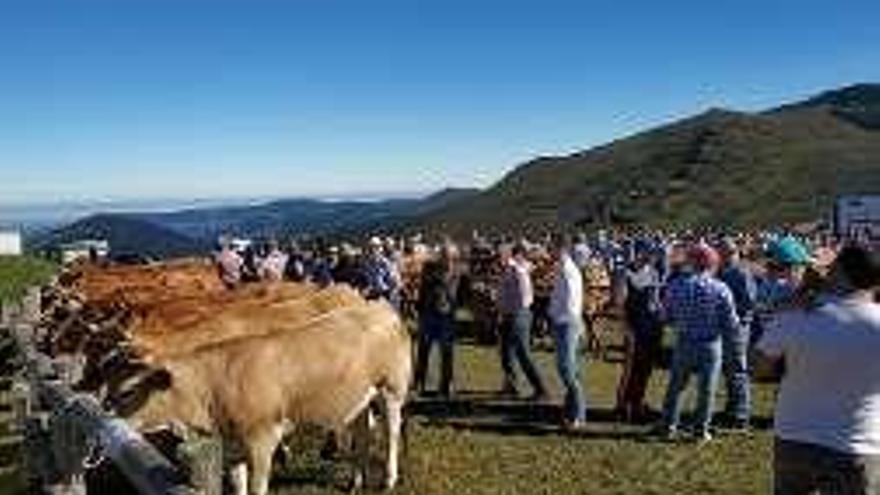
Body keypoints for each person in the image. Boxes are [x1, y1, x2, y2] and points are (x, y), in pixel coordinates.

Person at [756, 245, 880, 494]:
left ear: (840, 272)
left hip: (794, 437)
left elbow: (759, 368)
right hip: (857, 444)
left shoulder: (796, 313)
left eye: (831, 266)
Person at [656, 243, 739, 443]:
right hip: (710, 343)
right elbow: (731, 322)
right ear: (712, 264)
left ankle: (668, 426)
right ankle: (700, 431)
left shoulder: (676, 286)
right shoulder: (721, 288)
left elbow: (665, 316)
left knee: (676, 387)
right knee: (707, 390)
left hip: (684, 341)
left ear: (691, 262)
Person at [614, 240, 664, 423]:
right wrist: (626, 329)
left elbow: (656, 301)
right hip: (634, 327)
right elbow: (619, 304)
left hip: (651, 327)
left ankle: (637, 403)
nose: (649, 257)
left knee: (645, 368)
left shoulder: (653, 272)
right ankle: (622, 406)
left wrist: (661, 317)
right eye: (646, 253)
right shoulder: (624, 273)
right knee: (630, 368)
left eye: (651, 254)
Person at [497, 243, 548, 400]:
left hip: (518, 315)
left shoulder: (517, 270)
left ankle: (541, 389)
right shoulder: (507, 270)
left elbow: (526, 297)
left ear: (508, 255)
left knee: (523, 353)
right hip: (508, 315)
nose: (497, 258)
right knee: (506, 353)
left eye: (500, 255)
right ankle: (511, 385)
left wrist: (515, 312)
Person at [717, 238, 758, 430]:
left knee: (738, 369)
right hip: (725, 326)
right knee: (729, 369)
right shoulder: (721, 272)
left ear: (735, 253)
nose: (724, 256)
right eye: (722, 253)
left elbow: (750, 301)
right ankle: (732, 407)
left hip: (739, 326)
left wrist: (732, 312)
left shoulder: (741, 273)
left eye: (728, 253)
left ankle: (741, 414)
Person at [414, 242, 462, 397]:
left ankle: (446, 385)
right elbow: (423, 287)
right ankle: (419, 383)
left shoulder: (457, 270)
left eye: (449, 255)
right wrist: (420, 307)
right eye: (444, 254)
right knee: (423, 350)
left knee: (447, 352)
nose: (447, 258)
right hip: (428, 313)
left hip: (446, 315)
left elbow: (456, 291)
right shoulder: (429, 267)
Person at [548, 234, 587, 429]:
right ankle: (571, 412)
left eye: (551, 247)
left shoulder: (567, 268)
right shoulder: (563, 266)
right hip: (564, 321)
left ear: (560, 248)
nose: (549, 250)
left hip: (567, 323)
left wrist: (562, 320)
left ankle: (578, 415)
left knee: (567, 369)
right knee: (571, 370)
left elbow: (571, 298)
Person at [362, 236, 402, 309]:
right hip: (376, 294)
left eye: (375, 248)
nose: (373, 250)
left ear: (379, 249)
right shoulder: (368, 264)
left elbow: (394, 281)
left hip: (388, 294)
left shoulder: (386, 263)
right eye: (371, 248)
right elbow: (368, 279)